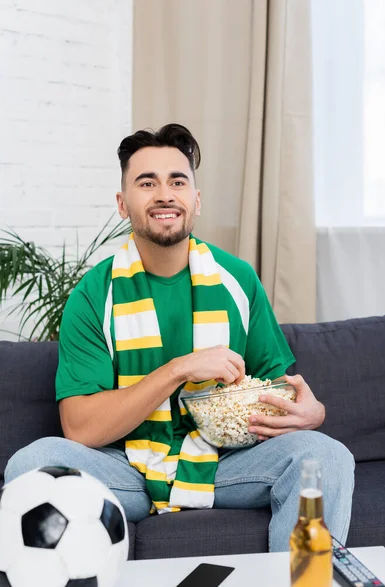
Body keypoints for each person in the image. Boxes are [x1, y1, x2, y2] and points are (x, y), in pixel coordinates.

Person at [5, 124, 354, 551]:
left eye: (177, 181)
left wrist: (310, 413)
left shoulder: (238, 280)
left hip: (224, 465)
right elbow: (78, 427)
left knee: (328, 455)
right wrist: (179, 369)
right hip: (125, 469)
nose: (164, 194)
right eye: (146, 182)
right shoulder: (94, 294)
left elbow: (273, 393)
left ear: (196, 200)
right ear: (122, 203)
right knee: (31, 462)